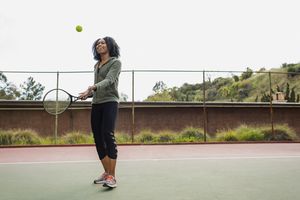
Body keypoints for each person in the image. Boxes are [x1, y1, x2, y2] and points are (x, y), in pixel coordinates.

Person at [79, 36, 121, 188]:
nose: (99, 45)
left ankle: (113, 177)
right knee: (97, 137)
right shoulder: (96, 65)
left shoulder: (115, 62)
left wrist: (93, 87)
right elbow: (97, 88)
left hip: (110, 102)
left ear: (109, 45)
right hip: (96, 104)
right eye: (97, 44)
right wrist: (88, 94)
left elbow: (109, 80)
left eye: (103, 43)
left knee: (107, 134)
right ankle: (106, 172)